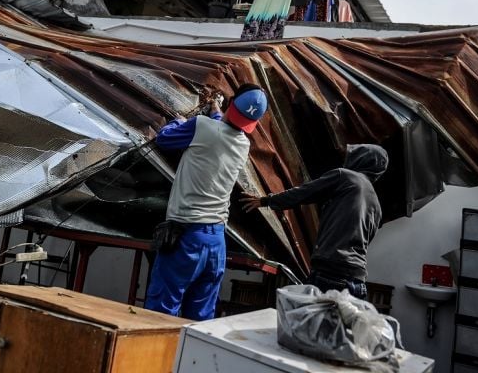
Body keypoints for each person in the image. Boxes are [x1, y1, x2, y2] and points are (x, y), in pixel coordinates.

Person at [144, 84, 268, 320]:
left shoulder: (200, 126)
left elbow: (165, 139)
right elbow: (223, 128)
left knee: (160, 315)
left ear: (231, 102)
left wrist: (179, 122)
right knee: (200, 321)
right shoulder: (243, 144)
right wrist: (215, 111)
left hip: (186, 236)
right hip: (216, 242)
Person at [240, 144, 388, 300]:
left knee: (310, 321)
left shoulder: (345, 177)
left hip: (330, 273)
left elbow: (304, 193)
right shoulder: (376, 205)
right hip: (358, 280)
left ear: (360, 159)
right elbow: (367, 240)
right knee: (336, 324)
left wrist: (266, 201)